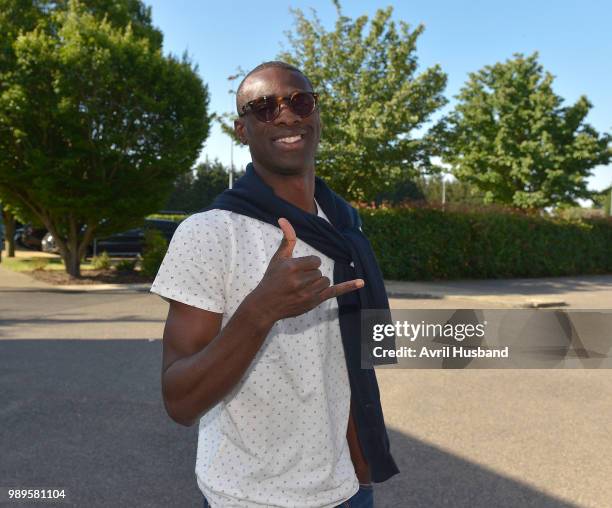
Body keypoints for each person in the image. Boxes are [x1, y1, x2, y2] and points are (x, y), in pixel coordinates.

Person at [150, 61, 398, 508]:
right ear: (241, 129)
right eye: (263, 107)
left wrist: (363, 477)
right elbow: (179, 401)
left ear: (316, 114)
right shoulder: (210, 233)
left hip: (346, 490)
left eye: (300, 100)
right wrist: (260, 311)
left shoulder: (345, 230)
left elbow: (351, 365)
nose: (286, 115)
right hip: (248, 497)